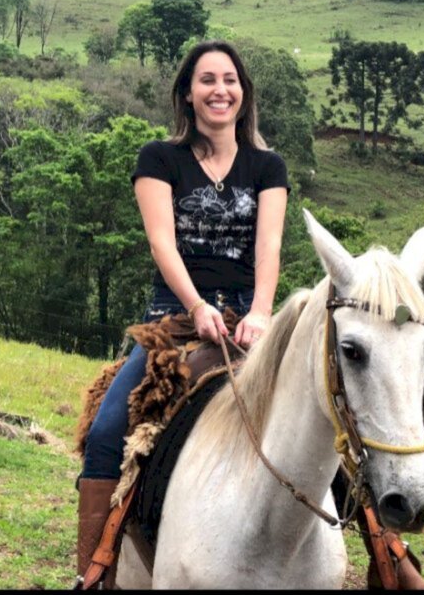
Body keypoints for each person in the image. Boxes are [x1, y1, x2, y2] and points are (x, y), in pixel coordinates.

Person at [76, 40, 289, 583]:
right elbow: (162, 243)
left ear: (244, 93)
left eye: (230, 80)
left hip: (248, 317)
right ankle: (93, 573)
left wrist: (262, 311)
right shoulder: (159, 158)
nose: (220, 90)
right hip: (171, 319)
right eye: (207, 80)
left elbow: (268, 248)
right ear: (188, 94)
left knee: (328, 417)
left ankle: (390, 558)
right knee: (105, 435)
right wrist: (195, 305)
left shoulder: (268, 166)